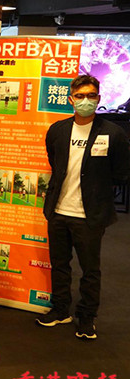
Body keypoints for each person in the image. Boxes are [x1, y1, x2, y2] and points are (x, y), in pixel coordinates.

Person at [36, 75, 130, 340]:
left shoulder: (113, 133)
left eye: (90, 96)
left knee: (90, 269)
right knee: (59, 264)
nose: (85, 101)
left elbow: (122, 172)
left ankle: (87, 317)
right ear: (71, 99)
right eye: (80, 96)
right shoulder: (58, 130)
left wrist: (97, 188)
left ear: (98, 98)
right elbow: (55, 162)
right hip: (58, 210)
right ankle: (60, 310)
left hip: (90, 215)